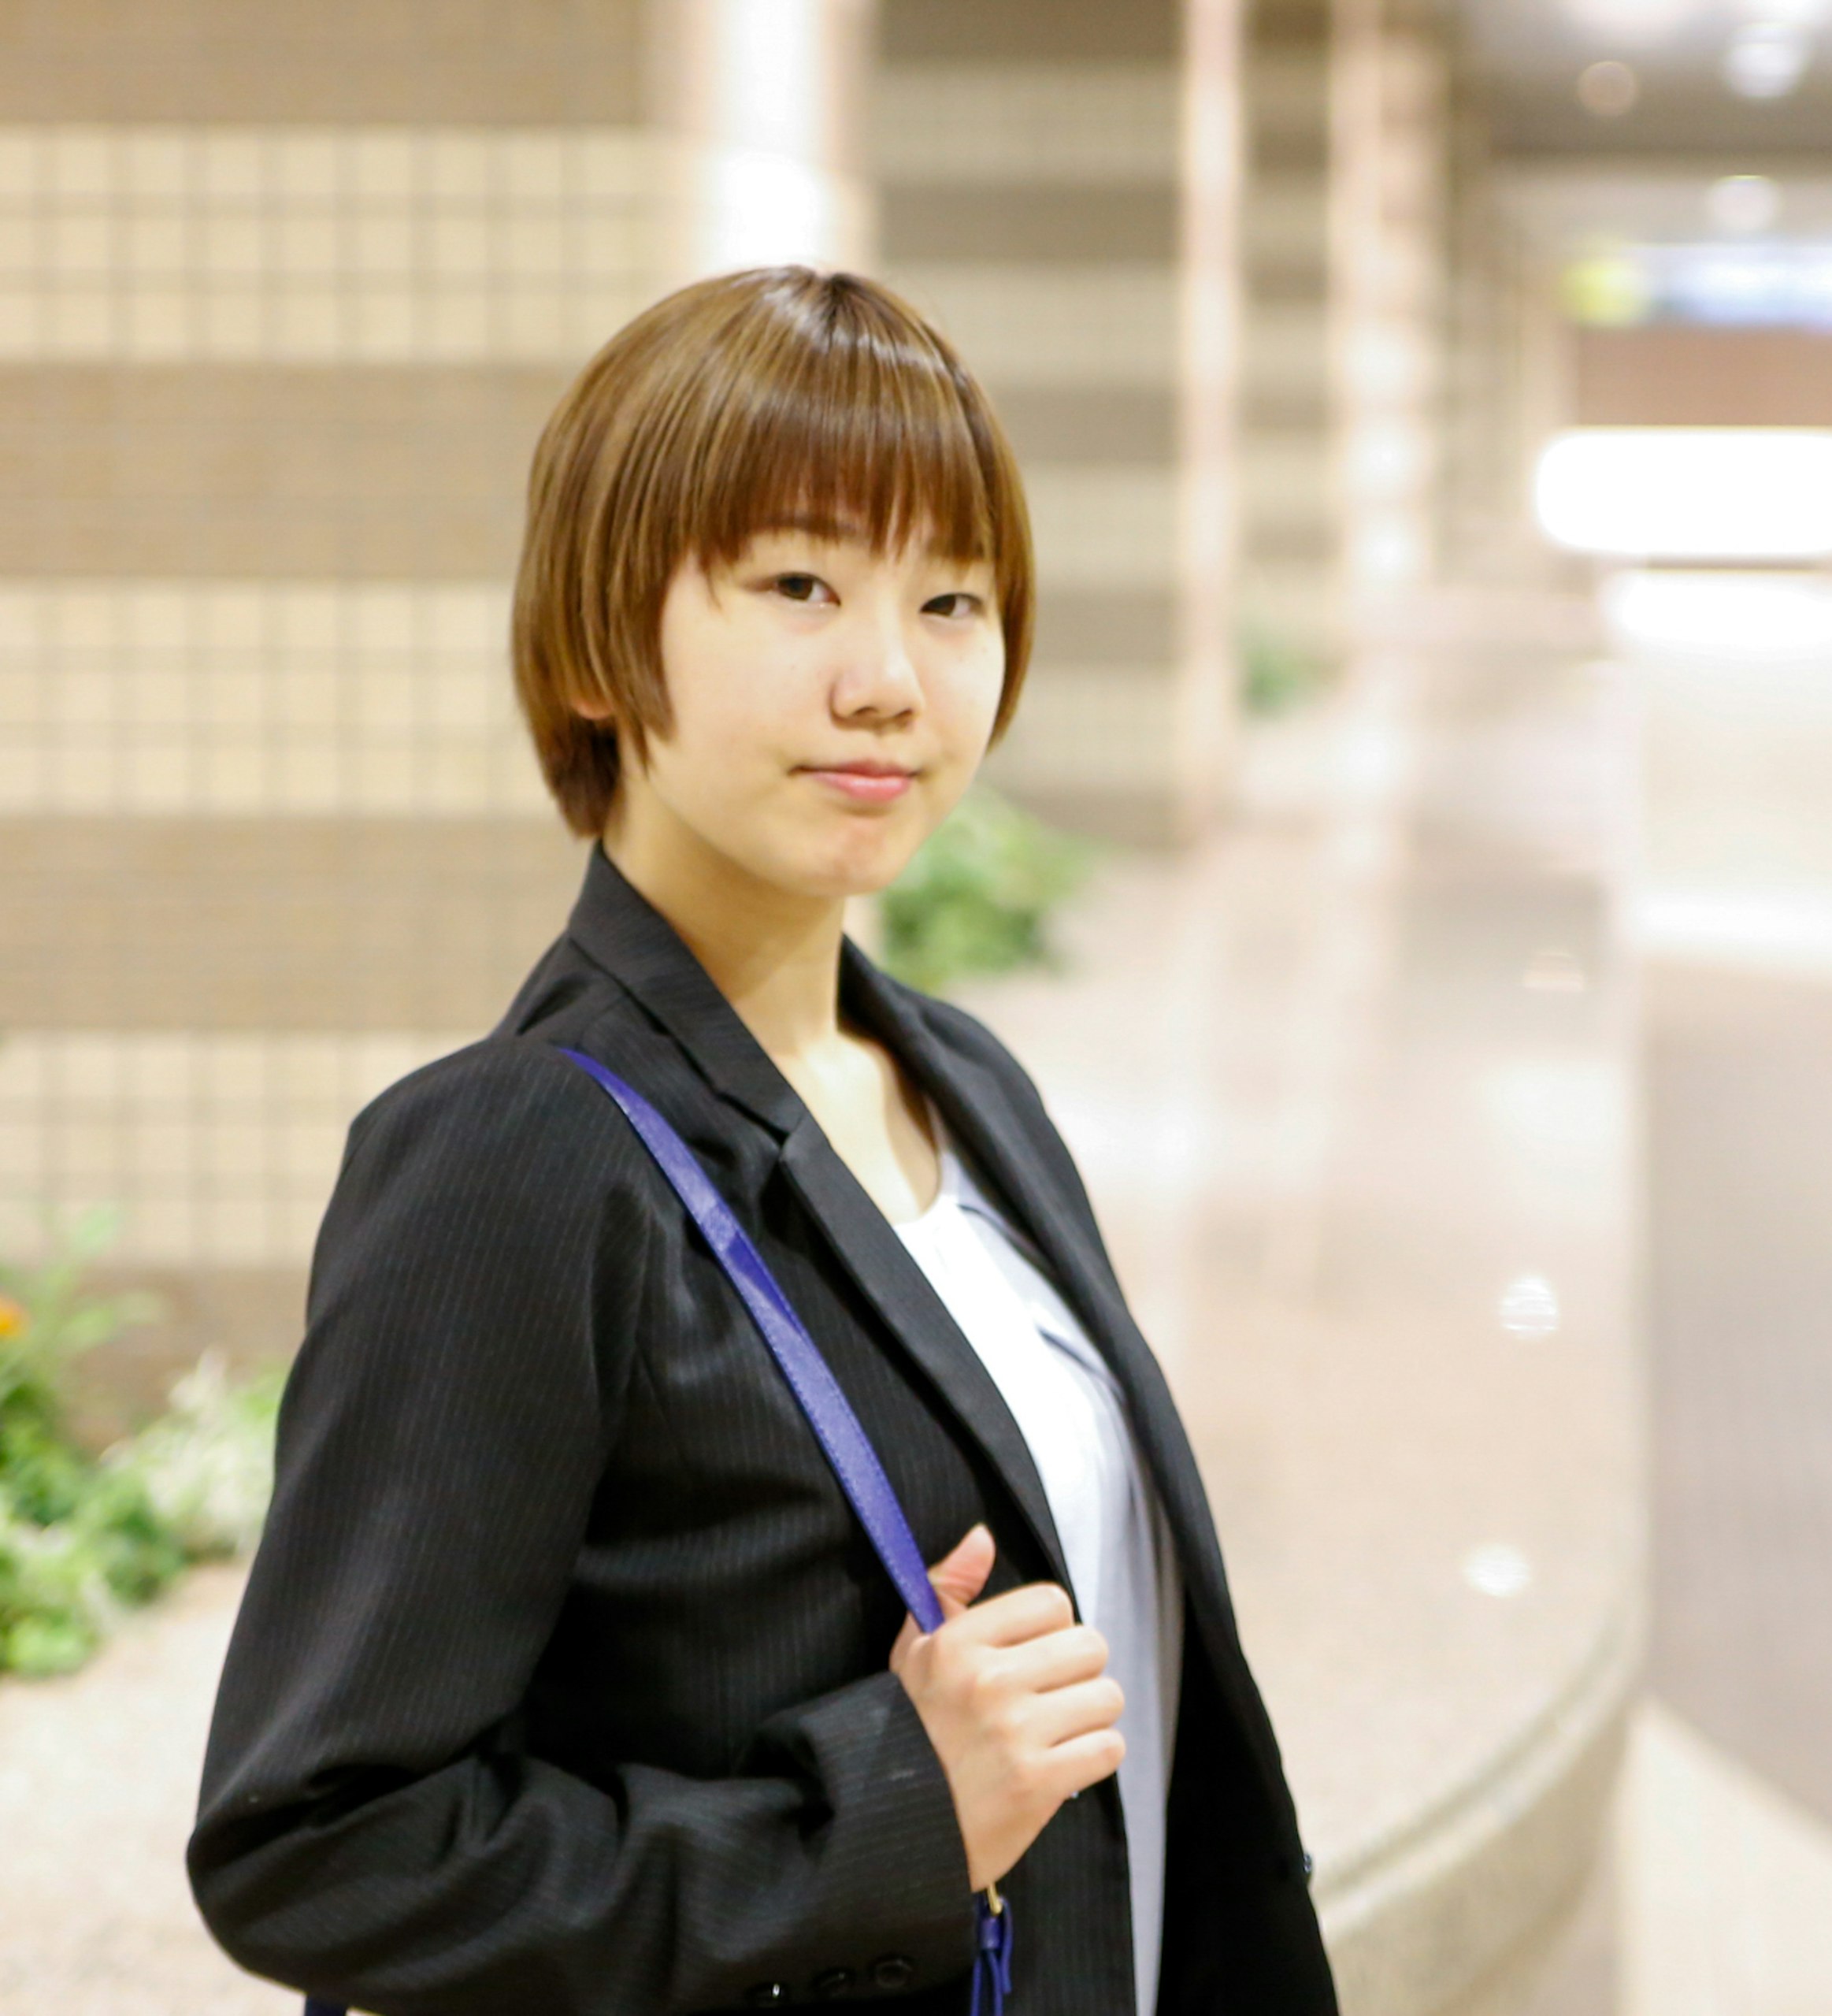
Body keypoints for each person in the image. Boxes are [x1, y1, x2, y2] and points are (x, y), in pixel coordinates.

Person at [187, 268, 1337, 2016]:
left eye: (952, 598)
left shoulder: (965, 1081)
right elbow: (318, 1845)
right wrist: (873, 1816)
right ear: (595, 642)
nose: (888, 678)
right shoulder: (520, 1159)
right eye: (799, 585)